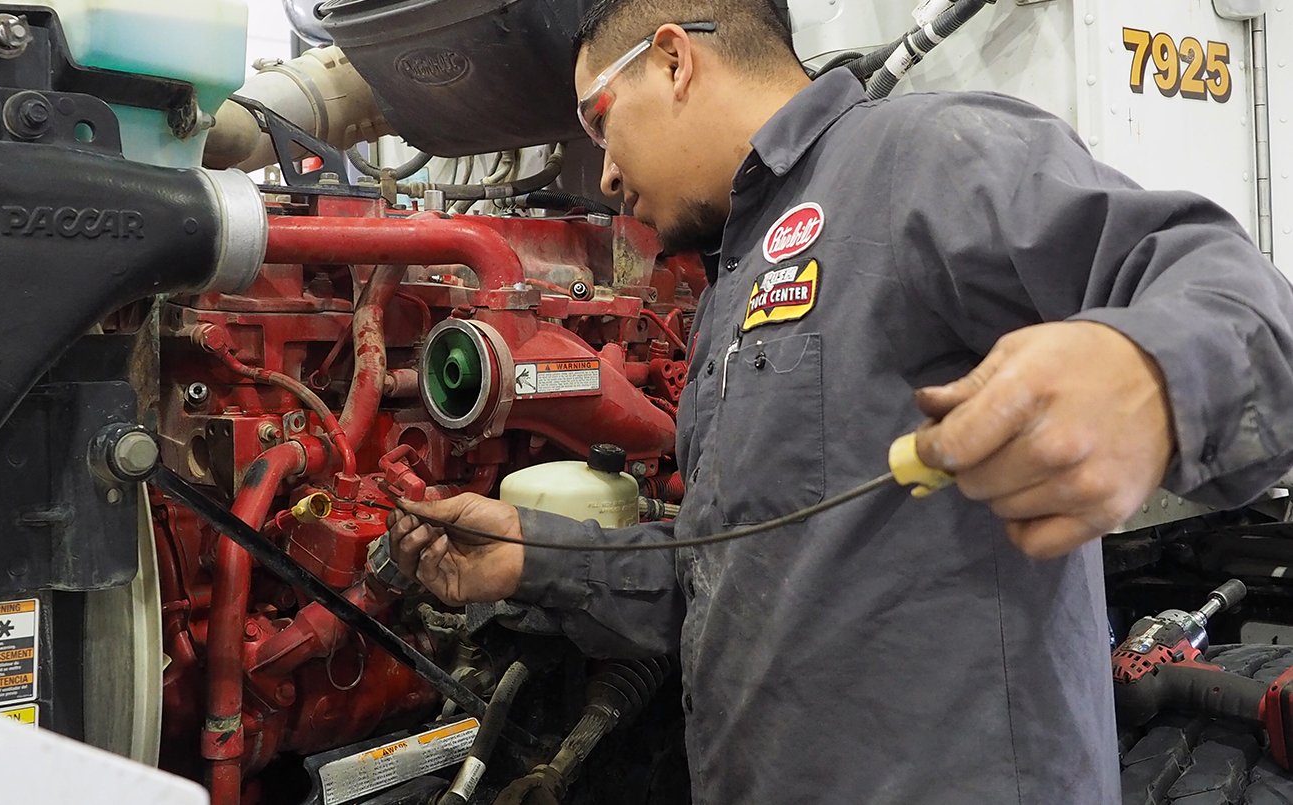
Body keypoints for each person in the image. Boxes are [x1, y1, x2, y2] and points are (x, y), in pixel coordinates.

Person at [387, 1, 1293, 802]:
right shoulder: (735, 283)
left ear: (673, 59)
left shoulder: (924, 159)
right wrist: (532, 559)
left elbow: (1238, 297)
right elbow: (742, 575)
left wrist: (1147, 371)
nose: (608, 173)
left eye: (598, 120)